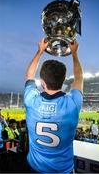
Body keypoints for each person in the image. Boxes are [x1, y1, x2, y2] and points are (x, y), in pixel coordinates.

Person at [24, 38, 83, 173]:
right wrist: (74, 53)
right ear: (63, 81)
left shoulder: (31, 101)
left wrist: (40, 51)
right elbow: (79, 78)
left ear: (42, 82)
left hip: (34, 167)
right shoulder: (72, 104)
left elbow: (29, 75)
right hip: (62, 170)